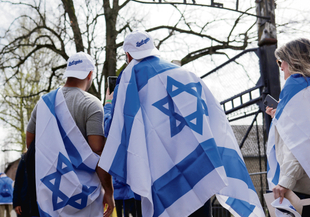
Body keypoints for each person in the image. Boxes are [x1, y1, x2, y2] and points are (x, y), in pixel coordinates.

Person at [99, 30, 264, 217]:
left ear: (128, 55)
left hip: (159, 179)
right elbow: (214, 119)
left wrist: (108, 105)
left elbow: (114, 131)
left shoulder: (129, 83)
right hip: (198, 172)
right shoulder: (187, 75)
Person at [26, 51, 114, 216]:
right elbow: (97, 150)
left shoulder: (44, 104)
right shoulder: (91, 104)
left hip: (52, 191)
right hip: (86, 194)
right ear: (90, 74)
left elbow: (31, 144)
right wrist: (109, 191)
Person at [266, 38, 310, 215]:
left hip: (300, 187)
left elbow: (301, 143)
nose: (281, 67)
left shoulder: (298, 88)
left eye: (280, 62)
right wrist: (280, 117)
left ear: (292, 61)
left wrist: (286, 181)